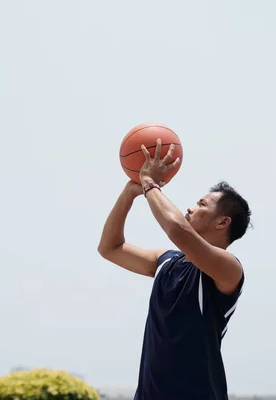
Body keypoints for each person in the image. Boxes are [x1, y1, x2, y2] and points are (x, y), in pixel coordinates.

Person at [98, 139, 251, 400]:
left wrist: (149, 183)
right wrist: (129, 192)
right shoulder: (167, 262)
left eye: (202, 204)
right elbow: (110, 248)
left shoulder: (228, 268)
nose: (191, 207)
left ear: (223, 222)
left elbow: (177, 230)